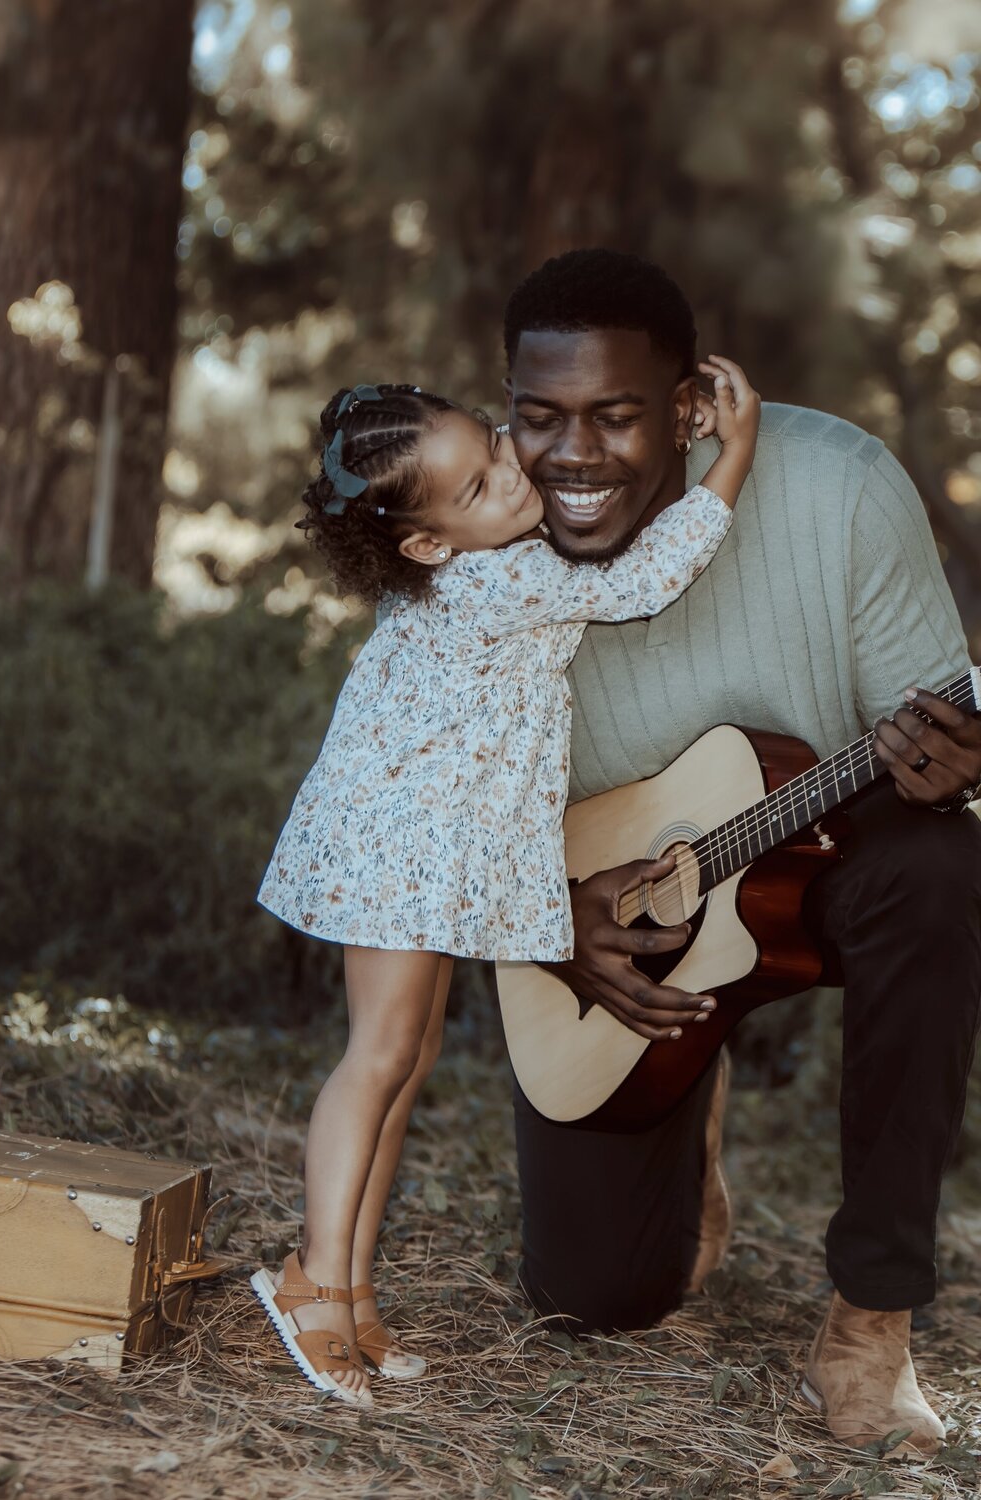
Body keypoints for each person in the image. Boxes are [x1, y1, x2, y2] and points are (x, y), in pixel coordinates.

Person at [501, 247, 981, 1456]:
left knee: (941, 869)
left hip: (825, 842)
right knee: (595, 1301)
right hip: (602, 914)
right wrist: (551, 916)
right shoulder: (482, 543)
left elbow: (937, 742)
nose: (573, 457)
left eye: (616, 415)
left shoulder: (840, 490)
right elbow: (419, 822)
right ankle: (693, 1083)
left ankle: (872, 1320)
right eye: (541, 417)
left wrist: (960, 767)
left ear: (690, 408)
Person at [252, 363, 761, 1406]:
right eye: (480, 488)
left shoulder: (476, 556)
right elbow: (640, 580)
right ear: (429, 544)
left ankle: (351, 1286)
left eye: (492, 447)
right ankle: (311, 1277)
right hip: (403, 848)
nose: (511, 478)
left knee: (410, 1054)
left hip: (417, 846)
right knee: (379, 1057)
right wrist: (731, 457)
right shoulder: (506, 578)